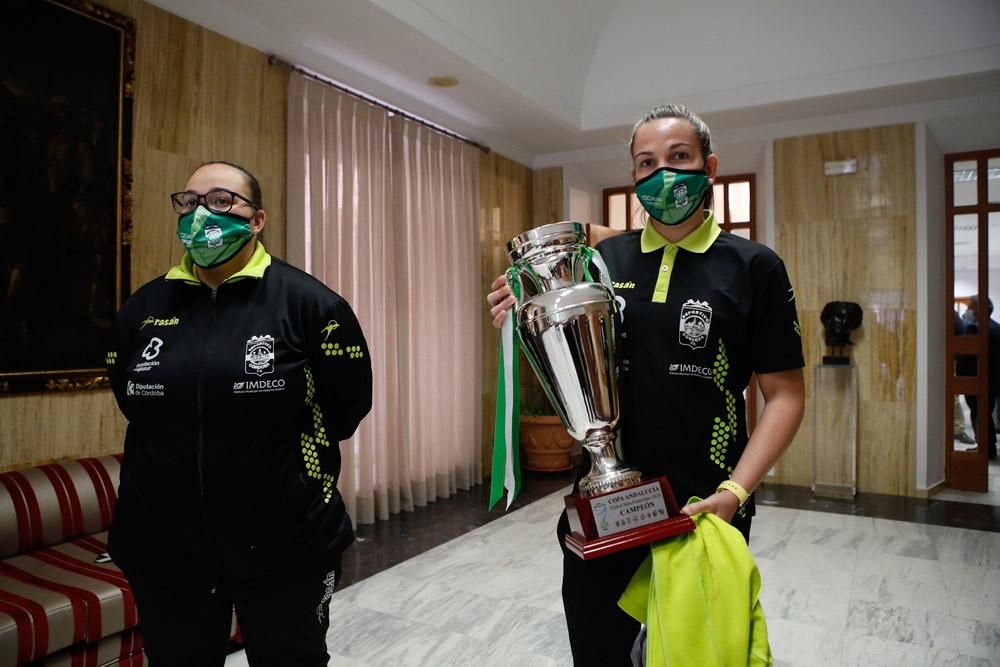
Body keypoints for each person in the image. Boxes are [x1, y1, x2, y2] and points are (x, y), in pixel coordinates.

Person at [486, 105, 805, 665]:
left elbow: (785, 396)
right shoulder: (605, 260)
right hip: (605, 513)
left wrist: (733, 495)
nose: (664, 175)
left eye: (679, 158)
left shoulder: (753, 267)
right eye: (646, 163)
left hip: (702, 510)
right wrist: (527, 301)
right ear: (633, 178)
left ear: (710, 166)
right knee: (600, 652)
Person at [106, 161, 373, 666]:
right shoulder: (141, 309)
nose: (202, 213)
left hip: (287, 545)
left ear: (257, 220)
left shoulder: (311, 305)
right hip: (165, 549)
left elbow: (345, 411)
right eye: (189, 202)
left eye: (222, 200)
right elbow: (133, 402)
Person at [962, 295, 1000, 459]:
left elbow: (966, 357)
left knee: (978, 413)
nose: (967, 310)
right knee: (986, 413)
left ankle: (983, 448)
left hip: (975, 380)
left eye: (970, 307)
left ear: (978, 309)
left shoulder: (973, 328)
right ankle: (989, 448)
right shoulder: (997, 327)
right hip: (993, 380)